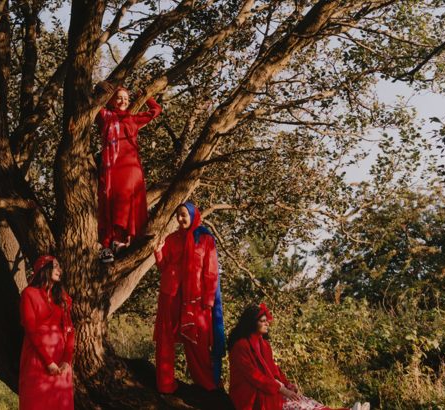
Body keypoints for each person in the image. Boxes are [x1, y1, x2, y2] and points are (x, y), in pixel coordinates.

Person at [227, 303, 369, 410]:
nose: (267, 323)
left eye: (267, 320)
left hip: (270, 388)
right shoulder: (241, 345)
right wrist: (281, 389)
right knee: (298, 406)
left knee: (305, 401)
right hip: (251, 394)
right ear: (252, 323)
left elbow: (273, 370)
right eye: (262, 320)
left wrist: (287, 384)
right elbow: (254, 376)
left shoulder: (264, 344)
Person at [154, 202, 226, 393]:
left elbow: (211, 272)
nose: (180, 219)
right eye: (178, 215)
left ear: (194, 215)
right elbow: (163, 267)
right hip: (170, 295)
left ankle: (207, 383)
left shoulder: (205, 239)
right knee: (165, 337)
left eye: (184, 215)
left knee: (198, 340)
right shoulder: (172, 239)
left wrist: (209, 300)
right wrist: (158, 252)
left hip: (196, 299)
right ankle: (166, 384)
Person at [96, 83, 162, 263]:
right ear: (111, 100)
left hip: (132, 168)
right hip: (113, 167)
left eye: (126, 98)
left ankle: (123, 241)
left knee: (127, 202)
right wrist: (101, 90)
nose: (123, 101)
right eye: (119, 98)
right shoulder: (103, 115)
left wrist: (146, 95)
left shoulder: (133, 119)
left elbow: (156, 110)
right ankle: (111, 242)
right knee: (114, 200)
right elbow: (91, 105)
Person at [19, 255, 74, 410]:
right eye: (55, 266)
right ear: (44, 268)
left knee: (61, 403)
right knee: (36, 402)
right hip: (37, 356)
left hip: (61, 357)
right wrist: (48, 361)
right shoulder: (29, 293)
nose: (59, 270)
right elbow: (31, 329)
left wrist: (66, 360)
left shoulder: (61, 297)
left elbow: (70, 330)